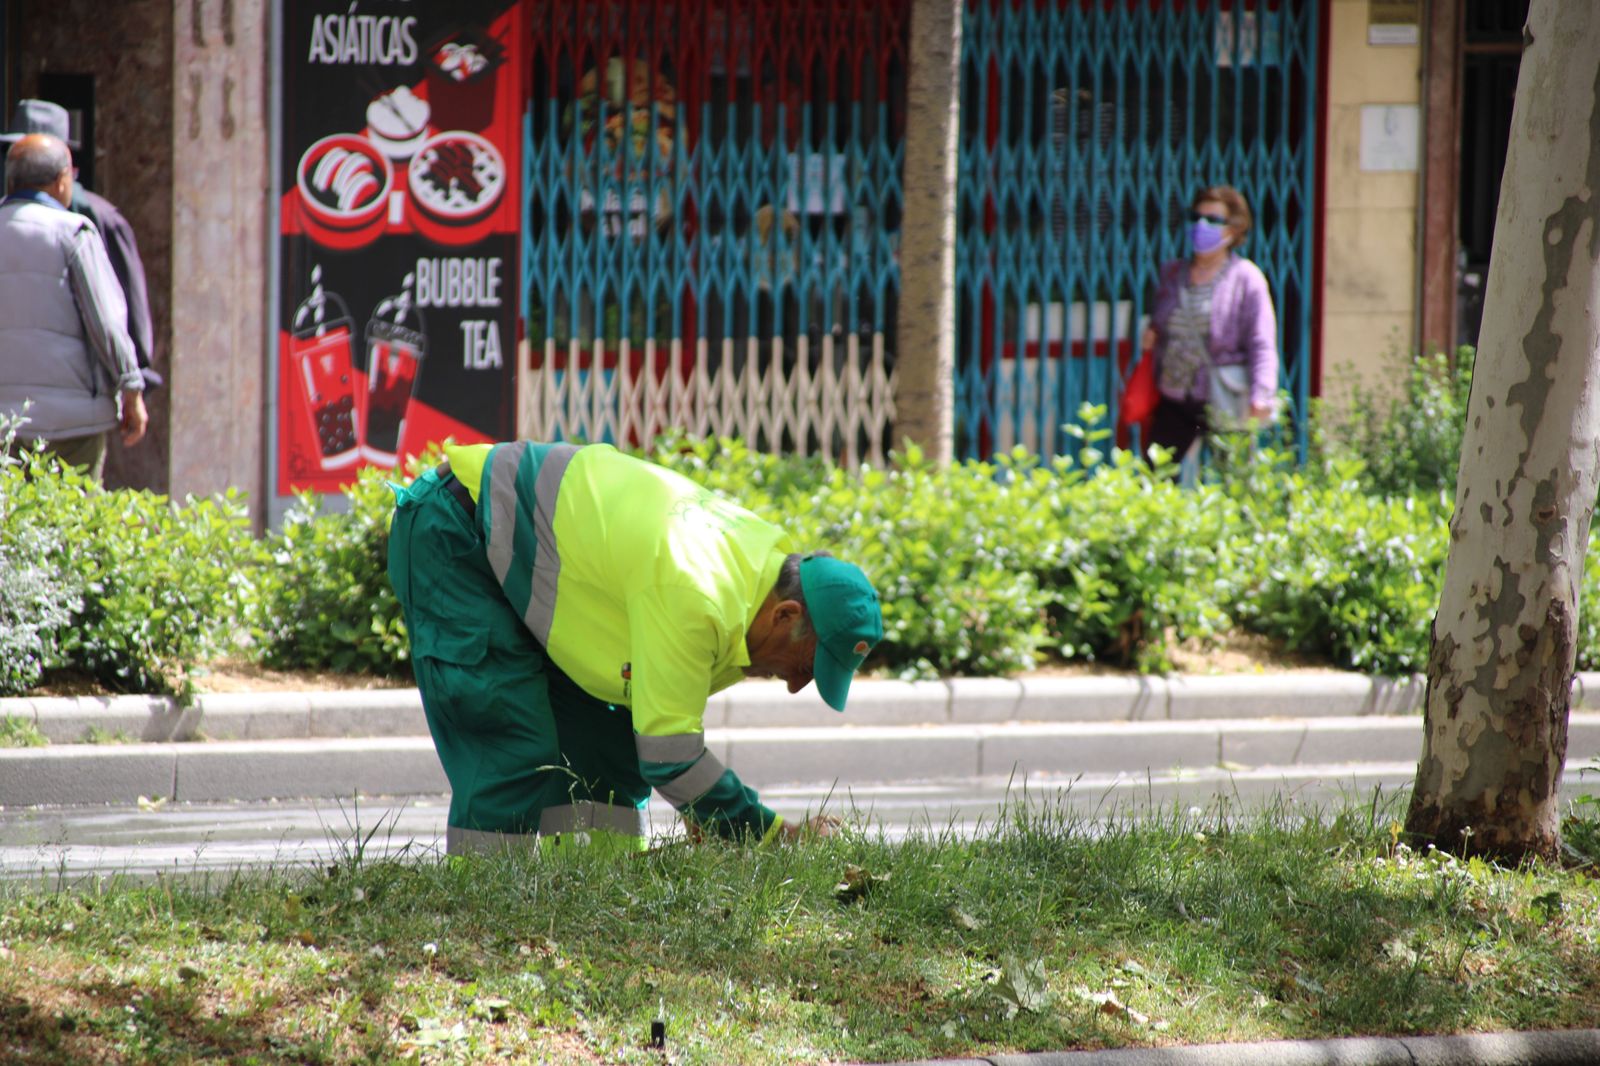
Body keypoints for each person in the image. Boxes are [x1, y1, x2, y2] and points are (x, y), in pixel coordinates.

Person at [387, 439, 884, 855]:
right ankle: (481, 915)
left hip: (529, 560)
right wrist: (772, 838)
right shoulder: (698, 593)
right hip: (458, 530)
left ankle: (596, 899)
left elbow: (658, 738)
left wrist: (706, 810)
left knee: (610, 746)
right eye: (805, 666)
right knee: (513, 746)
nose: (797, 686)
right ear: (787, 615)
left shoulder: (755, 580)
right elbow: (671, 757)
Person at [0, 133, 146, 480]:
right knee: (71, 526)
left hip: (5, 425)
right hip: (72, 427)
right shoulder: (74, 232)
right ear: (62, 181)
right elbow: (107, 321)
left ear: (11, 180)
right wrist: (131, 389)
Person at [0, 99, 160, 390]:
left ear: (64, 167)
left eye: (35, 159)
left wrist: (131, 384)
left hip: (75, 395)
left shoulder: (95, 223)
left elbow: (122, 320)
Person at [1140, 185, 1279, 463]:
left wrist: (1262, 393)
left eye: (1213, 220)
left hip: (1223, 396)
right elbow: (1159, 321)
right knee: (1155, 475)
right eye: (1196, 217)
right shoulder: (1172, 273)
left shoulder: (1246, 279)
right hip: (1175, 396)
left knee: (1235, 481)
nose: (1201, 225)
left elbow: (1261, 343)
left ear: (1234, 229)